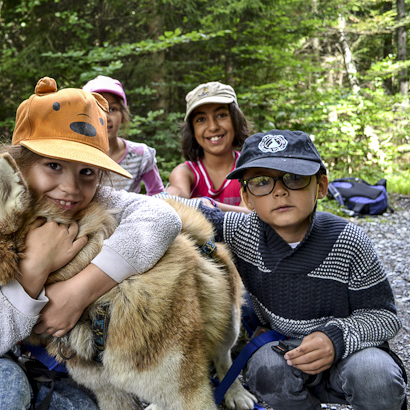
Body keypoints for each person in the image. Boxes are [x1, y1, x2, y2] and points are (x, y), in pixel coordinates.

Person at [0, 77, 183, 409]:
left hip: (76, 370)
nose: (71, 188)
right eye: (54, 165)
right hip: (8, 363)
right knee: (0, 395)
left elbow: (164, 218)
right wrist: (34, 270)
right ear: (18, 164)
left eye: (86, 172)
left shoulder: (97, 201)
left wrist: (79, 291)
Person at [166, 129, 407, 409]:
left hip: (353, 351)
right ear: (247, 198)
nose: (279, 190)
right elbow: (170, 206)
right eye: (261, 182)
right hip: (286, 347)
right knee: (264, 369)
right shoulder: (241, 232)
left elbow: (384, 316)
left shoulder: (349, 240)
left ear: (321, 186)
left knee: (375, 376)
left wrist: (335, 338)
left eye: (294, 178)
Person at [166, 81, 252, 213]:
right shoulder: (185, 172)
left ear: (236, 121)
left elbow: (250, 215)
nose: (213, 127)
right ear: (192, 131)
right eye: (201, 119)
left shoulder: (250, 168)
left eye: (221, 115)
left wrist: (209, 205)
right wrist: (169, 197)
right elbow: (174, 197)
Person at [82, 75, 164, 195]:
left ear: (123, 115)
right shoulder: (78, 157)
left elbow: (158, 196)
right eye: (96, 109)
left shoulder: (140, 155)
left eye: (113, 109)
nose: (105, 117)